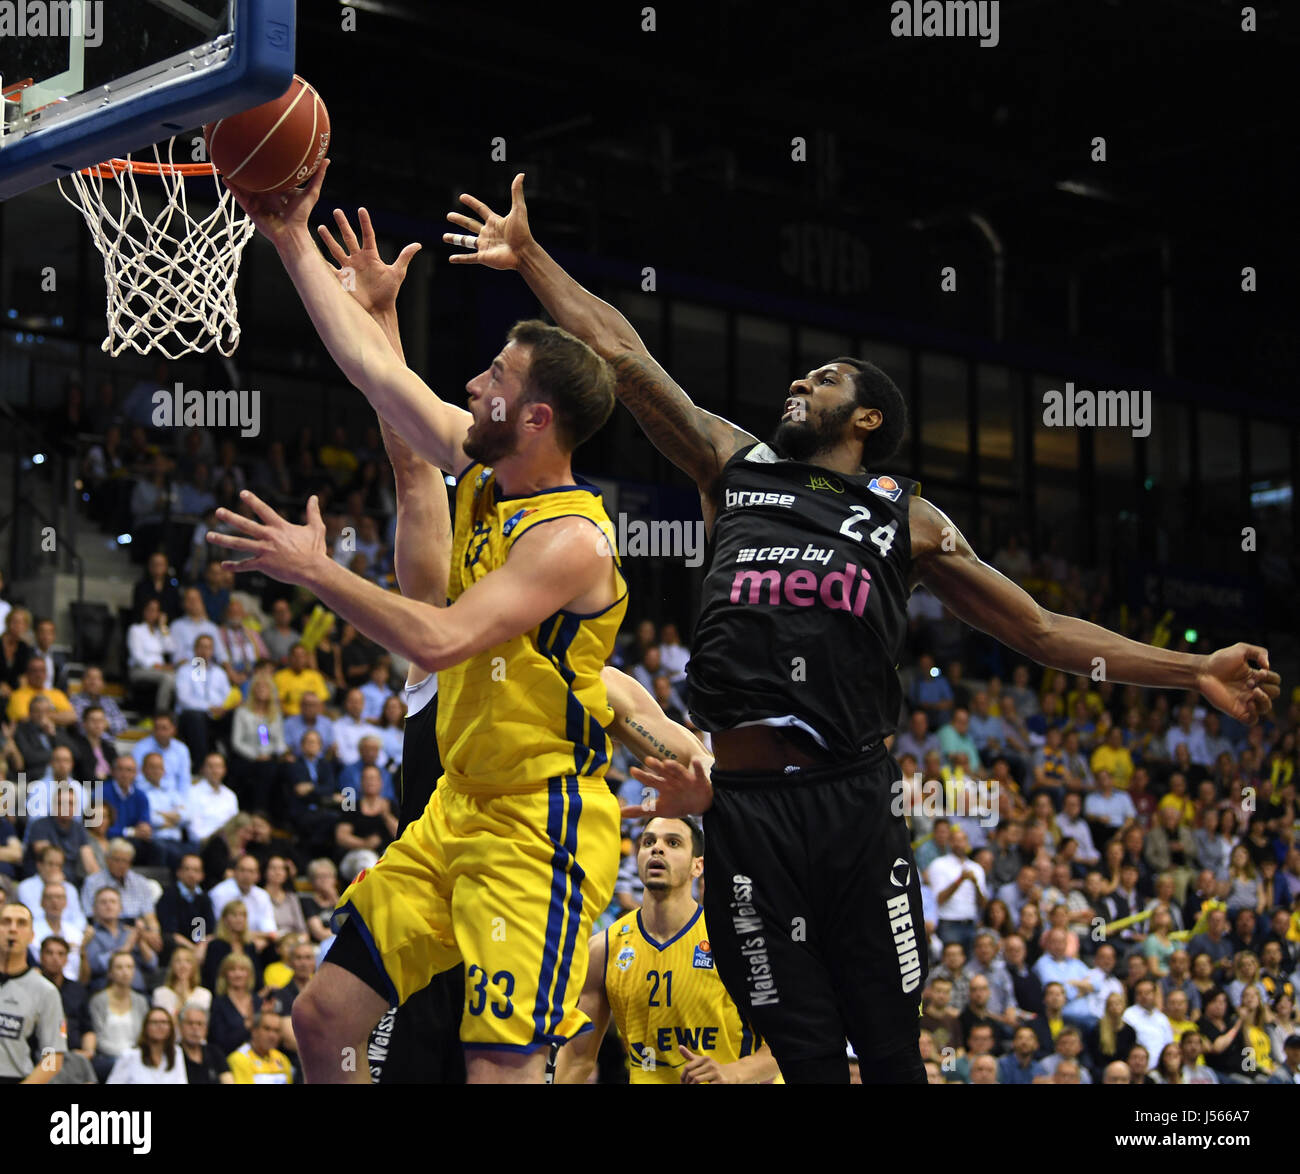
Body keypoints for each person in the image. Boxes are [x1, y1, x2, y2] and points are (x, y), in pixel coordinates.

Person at [476, 178, 1284, 1082]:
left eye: (822, 379)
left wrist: (1194, 669)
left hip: (852, 804)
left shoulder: (909, 519)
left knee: (891, 1052)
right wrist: (533, 258)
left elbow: (1046, 632)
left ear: (867, 419)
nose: (798, 381)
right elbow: (618, 354)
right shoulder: (734, 467)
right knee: (804, 1056)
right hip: (746, 814)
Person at [214, 168, 627, 1087]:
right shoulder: (485, 467)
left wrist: (317, 571)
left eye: (495, 376)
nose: (474, 380)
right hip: (457, 808)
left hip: (536, 829)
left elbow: (436, 641)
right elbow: (376, 377)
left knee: (498, 1070)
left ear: (533, 417)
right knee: (323, 1021)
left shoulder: (569, 541)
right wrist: (287, 234)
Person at [557, 816, 779, 1084]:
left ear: (698, 866)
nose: (657, 848)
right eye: (648, 842)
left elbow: (787, 1042)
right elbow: (578, 1060)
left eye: (673, 843)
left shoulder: (738, 940)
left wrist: (735, 1072)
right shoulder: (603, 949)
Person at [0, 902, 67, 1084]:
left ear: (31, 936)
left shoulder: (46, 991)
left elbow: (52, 1058)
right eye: (5, 922)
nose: (12, 929)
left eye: (21, 923)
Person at [88, 950, 149, 1082]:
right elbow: (98, 1038)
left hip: (135, 1056)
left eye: (129, 967)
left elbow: (144, 1035)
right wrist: (124, 1056)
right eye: (119, 967)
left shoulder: (141, 1001)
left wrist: (131, 1055)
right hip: (107, 1058)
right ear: (110, 972)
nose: (125, 972)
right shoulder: (98, 1000)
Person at [106, 1007, 187, 1084]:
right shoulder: (130, 1055)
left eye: (164, 1022)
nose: (160, 1026)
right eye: (154, 1022)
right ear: (146, 1027)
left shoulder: (176, 1052)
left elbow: (182, 1081)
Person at [126, 599, 176, 713]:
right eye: (150, 610)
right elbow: (137, 656)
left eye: (156, 611)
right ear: (144, 611)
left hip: (160, 670)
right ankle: (161, 714)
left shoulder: (160, 632)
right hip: (140, 670)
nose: (153, 613)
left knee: (180, 677)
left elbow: (171, 648)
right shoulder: (136, 630)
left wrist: (163, 626)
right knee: (168, 678)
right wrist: (156, 666)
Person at [208, 952, 258, 1057]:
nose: (238, 974)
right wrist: (247, 1026)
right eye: (232, 970)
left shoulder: (259, 1001)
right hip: (228, 1058)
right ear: (225, 974)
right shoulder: (218, 1004)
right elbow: (219, 1042)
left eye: (242, 970)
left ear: (249, 974)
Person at [227, 1009, 293, 1083]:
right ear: (254, 1031)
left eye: (276, 1030)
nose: (272, 1035)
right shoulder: (239, 1059)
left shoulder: (282, 1059)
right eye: (267, 1029)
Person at [151, 944, 211, 1022]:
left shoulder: (204, 995)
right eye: (178, 961)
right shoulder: (160, 993)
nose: (183, 965)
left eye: (188, 961)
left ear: (194, 966)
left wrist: (184, 995)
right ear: (172, 966)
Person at [178, 1001, 233, 1084]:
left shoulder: (214, 1052)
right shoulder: (174, 1054)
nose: (195, 1028)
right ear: (180, 1026)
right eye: (190, 1023)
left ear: (206, 1029)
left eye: (200, 1024)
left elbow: (228, 1080)